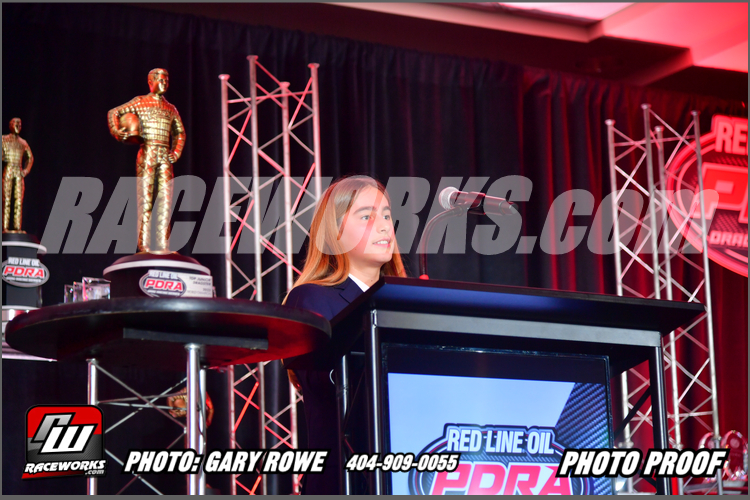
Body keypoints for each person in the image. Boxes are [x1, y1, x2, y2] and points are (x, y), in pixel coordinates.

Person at [284, 175, 407, 494]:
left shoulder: (407, 301)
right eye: (367, 216)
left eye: (387, 216)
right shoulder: (311, 298)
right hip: (344, 481)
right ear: (334, 232)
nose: (384, 226)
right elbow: (323, 382)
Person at [107, 68, 186, 253]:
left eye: (166, 80)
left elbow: (180, 132)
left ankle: (163, 245)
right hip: (147, 153)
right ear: (150, 82)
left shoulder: (171, 108)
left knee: (165, 201)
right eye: (160, 80)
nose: (164, 83)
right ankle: (144, 245)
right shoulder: (140, 102)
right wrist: (117, 131)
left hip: (164, 155)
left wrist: (176, 152)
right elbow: (113, 113)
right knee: (145, 200)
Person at [2, 117, 34, 232]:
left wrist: (26, 170)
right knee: (6, 199)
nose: (18, 127)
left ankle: (17, 227)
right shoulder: (3, 140)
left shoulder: (23, 143)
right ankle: (5, 227)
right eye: (16, 124)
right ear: (11, 125)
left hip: (18, 171)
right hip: (8, 170)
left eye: (20, 125)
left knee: (18, 201)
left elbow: (30, 158)